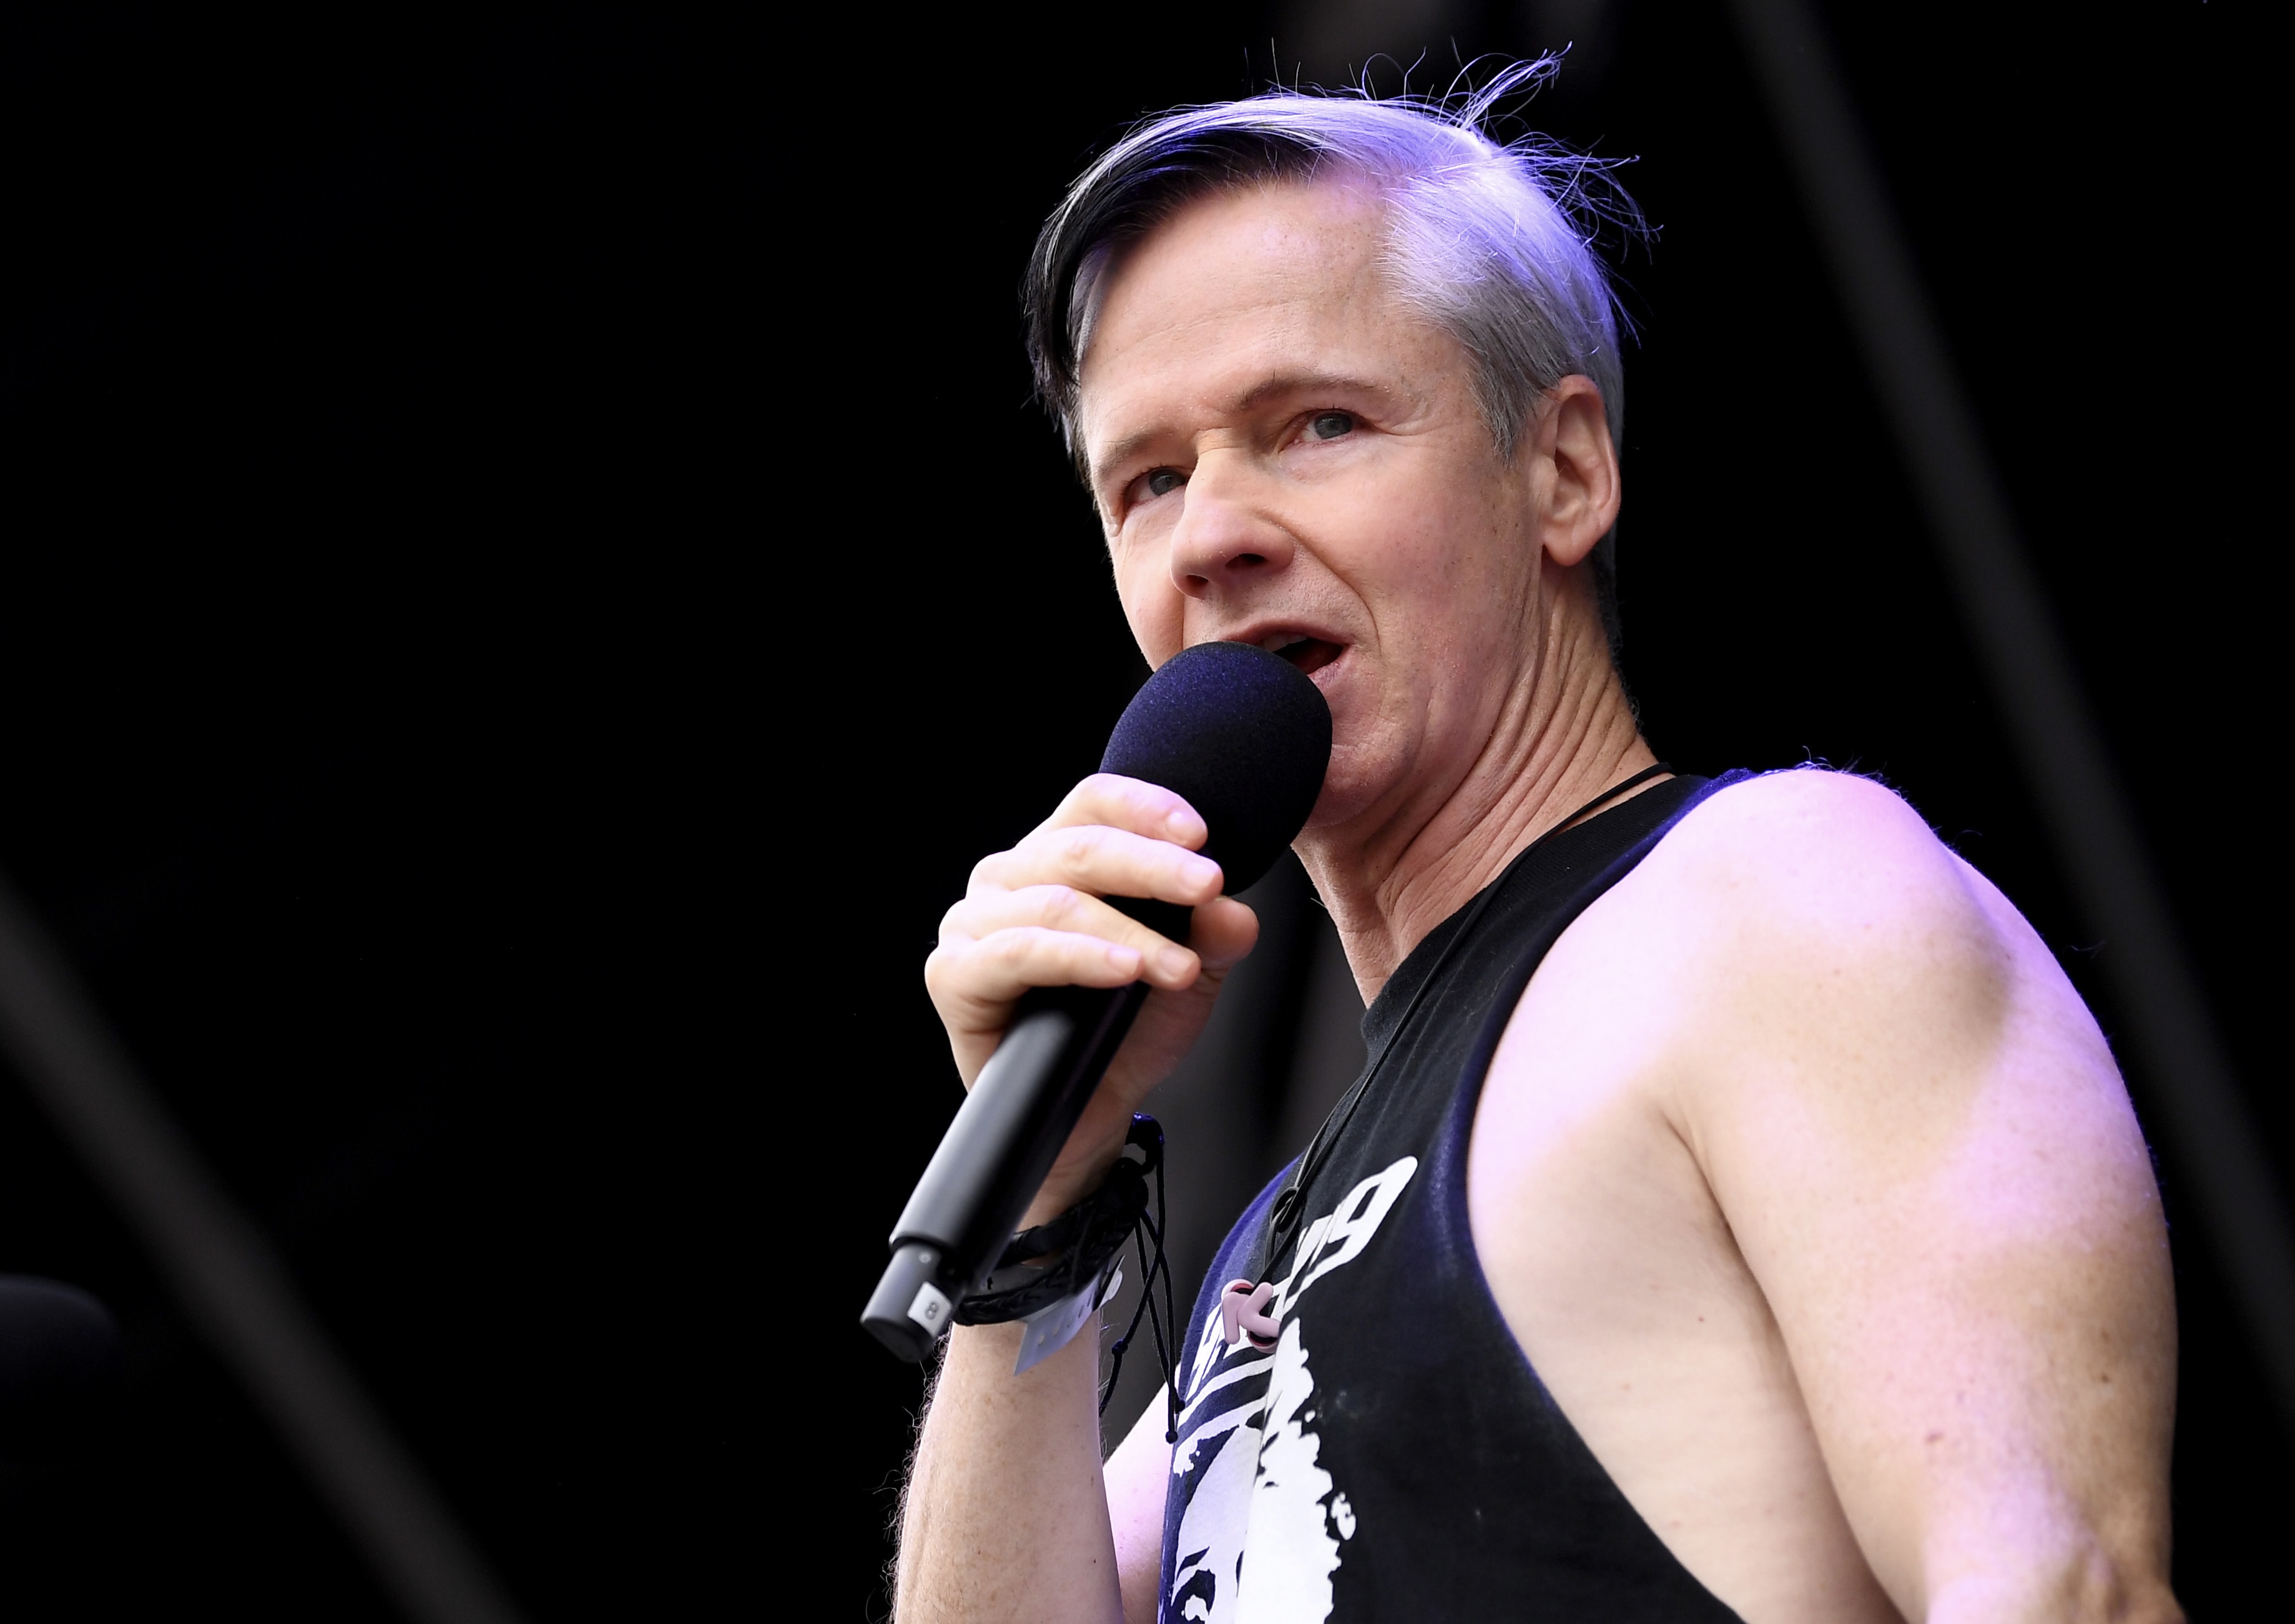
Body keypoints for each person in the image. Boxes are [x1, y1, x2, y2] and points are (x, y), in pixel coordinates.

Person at [892, 79, 2179, 1623]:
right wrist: (1041, 1198)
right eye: (1149, 479)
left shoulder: (1771, 899)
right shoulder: (1286, 1238)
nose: (1210, 534)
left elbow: (2058, 1590)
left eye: (1316, 424)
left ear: (1563, 469)